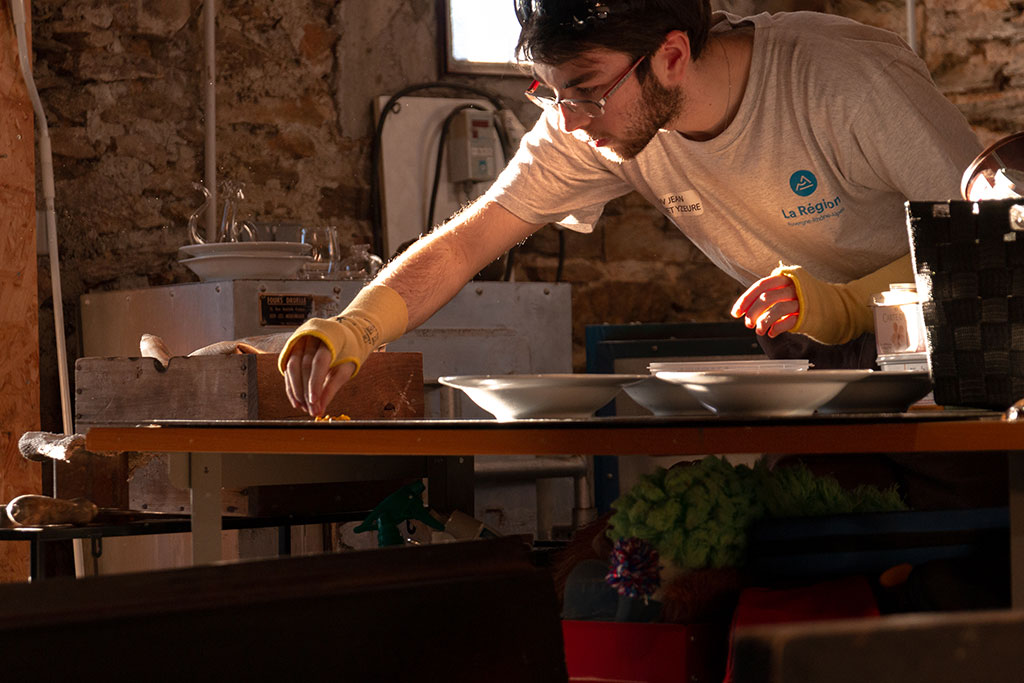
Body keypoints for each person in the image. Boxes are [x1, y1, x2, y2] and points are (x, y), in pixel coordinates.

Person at [278, 0, 981, 419]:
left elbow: (993, 242)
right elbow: (471, 240)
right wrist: (354, 326)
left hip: (965, 363)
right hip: (823, 377)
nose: (570, 120)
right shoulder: (597, 126)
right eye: (549, 94)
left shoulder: (845, 81)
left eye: (583, 89)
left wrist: (847, 305)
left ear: (671, 55)